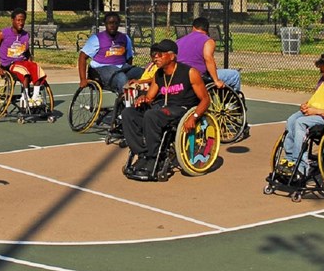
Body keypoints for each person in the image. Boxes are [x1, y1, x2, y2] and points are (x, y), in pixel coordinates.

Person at [121, 39, 210, 178]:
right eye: (154, 54)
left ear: (172, 56)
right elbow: (149, 98)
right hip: (164, 108)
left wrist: (194, 117)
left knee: (152, 115)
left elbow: (206, 99)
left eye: (160, 54)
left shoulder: (190, 72)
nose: (155, 57)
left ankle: (155, 158)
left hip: (182, 109)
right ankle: (143, 154)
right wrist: (143, 98)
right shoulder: (159, 74)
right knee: (128, 113)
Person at [176, 17, 248, 138]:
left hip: (181, 76)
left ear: (193, 28)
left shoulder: (179, 41)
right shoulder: (208, 41)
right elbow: (208, 58)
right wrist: (216, 80)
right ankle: (231, 107)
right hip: (199, 76)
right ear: (207, 29)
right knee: (234, 75)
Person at [0, 9, 46, 103]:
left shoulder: (26, 35)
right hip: (8, 64)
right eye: (18, 20)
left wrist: (30, 59)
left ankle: (35, 97)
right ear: (12, 20)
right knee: (24, 73)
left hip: (22, 62)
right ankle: (25, 98)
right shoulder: (2, 34)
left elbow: (26, 51)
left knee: (36, 68)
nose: (21, 23)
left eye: (23, 20)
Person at [78, 12, 143, 94]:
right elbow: (82, 57)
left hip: (121, 67)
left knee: (142, 72)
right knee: (121, 78)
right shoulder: (96, 38)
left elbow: (129, 58)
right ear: (105, 24)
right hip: (101, 69)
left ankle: (142, 100)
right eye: (110, 23)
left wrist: (129, 71)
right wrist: (83, 79)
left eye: (115, 23)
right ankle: (125, 104)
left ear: (119, 24)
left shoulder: (125, 38)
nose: (112, 25)